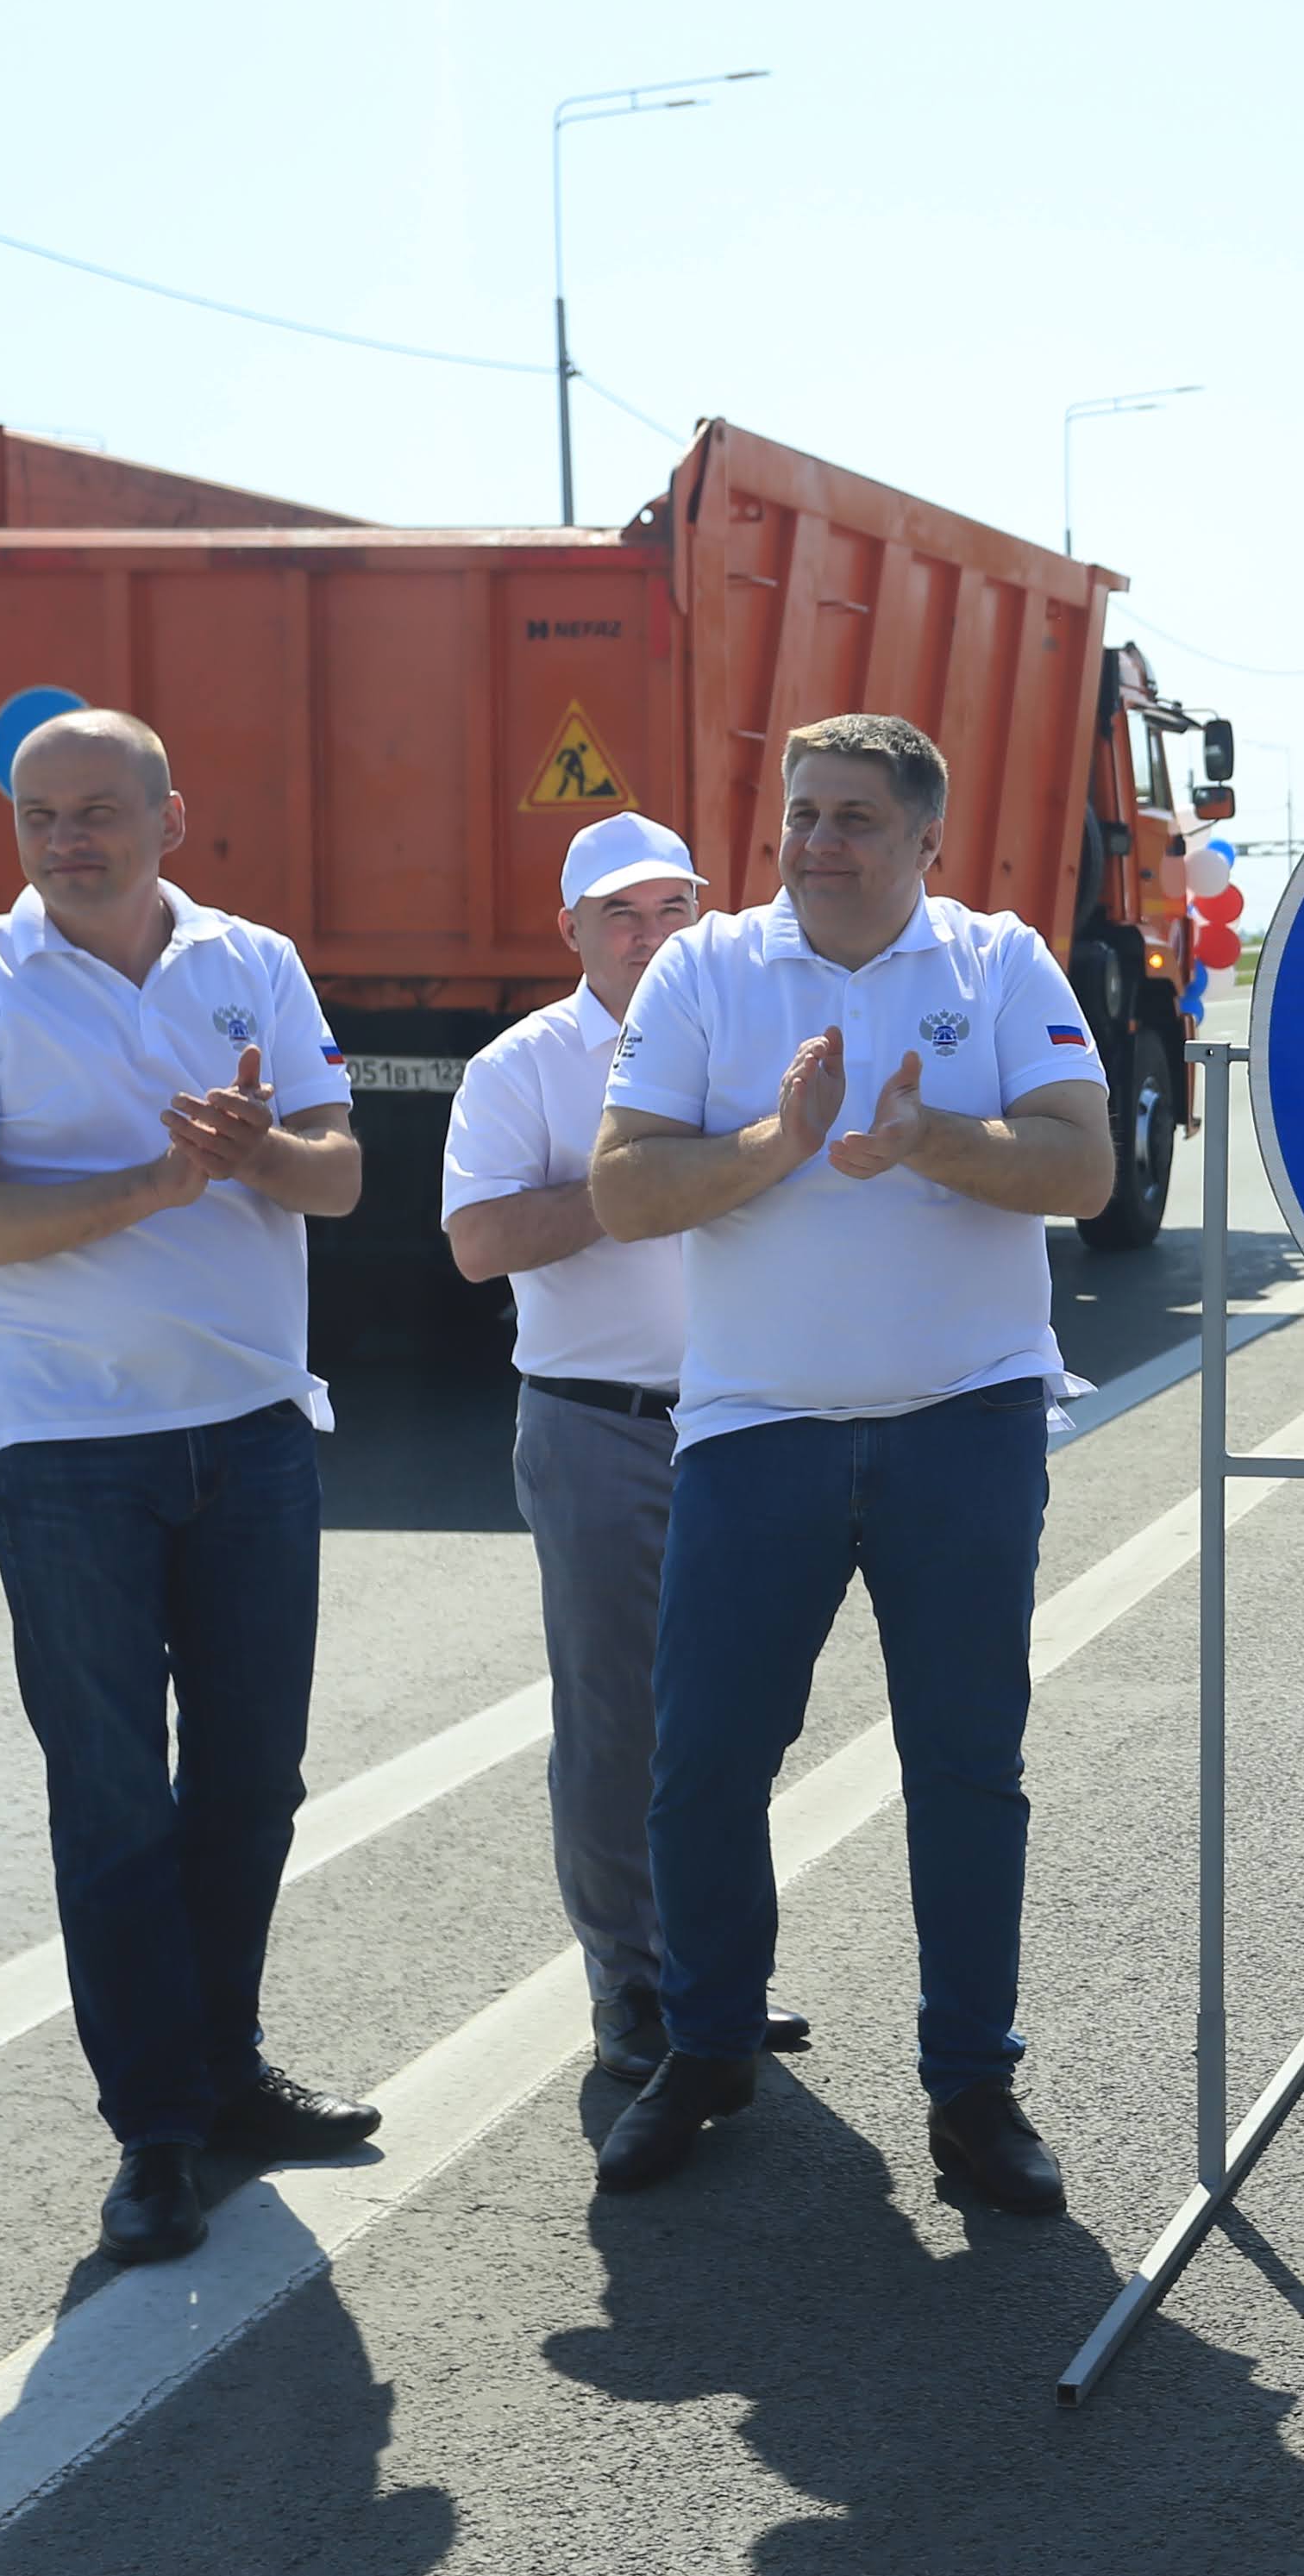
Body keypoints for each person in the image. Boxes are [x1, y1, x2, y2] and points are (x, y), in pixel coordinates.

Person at [585, 714, 1114, 2208]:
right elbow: (622, 1191)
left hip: (965, 1422)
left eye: (855, 818)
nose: (817, 843)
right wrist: (780, 1141)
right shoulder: (704, 969)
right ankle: (707, 2049)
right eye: (802, 814)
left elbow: (1083, 1166)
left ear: (925, 839)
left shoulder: (998, 965)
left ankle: (972, 2087)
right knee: (705, 1764)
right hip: (756, 1428)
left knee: (965, 1766)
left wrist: (930, 1141)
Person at [0, 708, 378, 2269]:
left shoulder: (254, 962)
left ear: (171, 815)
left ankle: (225, 2073)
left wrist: (259, 1156)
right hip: (66, 1456)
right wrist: (156, 1185)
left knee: (250, 1785)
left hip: (251, 1435)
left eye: (97, 808)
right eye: (40, 814)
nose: (66, 837)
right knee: (113, 1805)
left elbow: (341, 1173)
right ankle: (155, 2131)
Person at [444, 811, 811, 2087]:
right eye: (619, 915)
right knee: (615, 1726)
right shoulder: (523, 1065)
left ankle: (716, 1976)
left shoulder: (752, 1037)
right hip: (596, 1423)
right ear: (572, 930)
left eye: (671, 910)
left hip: (747, 1419)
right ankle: (631, 1985)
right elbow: (479, 1243)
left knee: (732, 1723)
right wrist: (640, 1182)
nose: (649, 936)